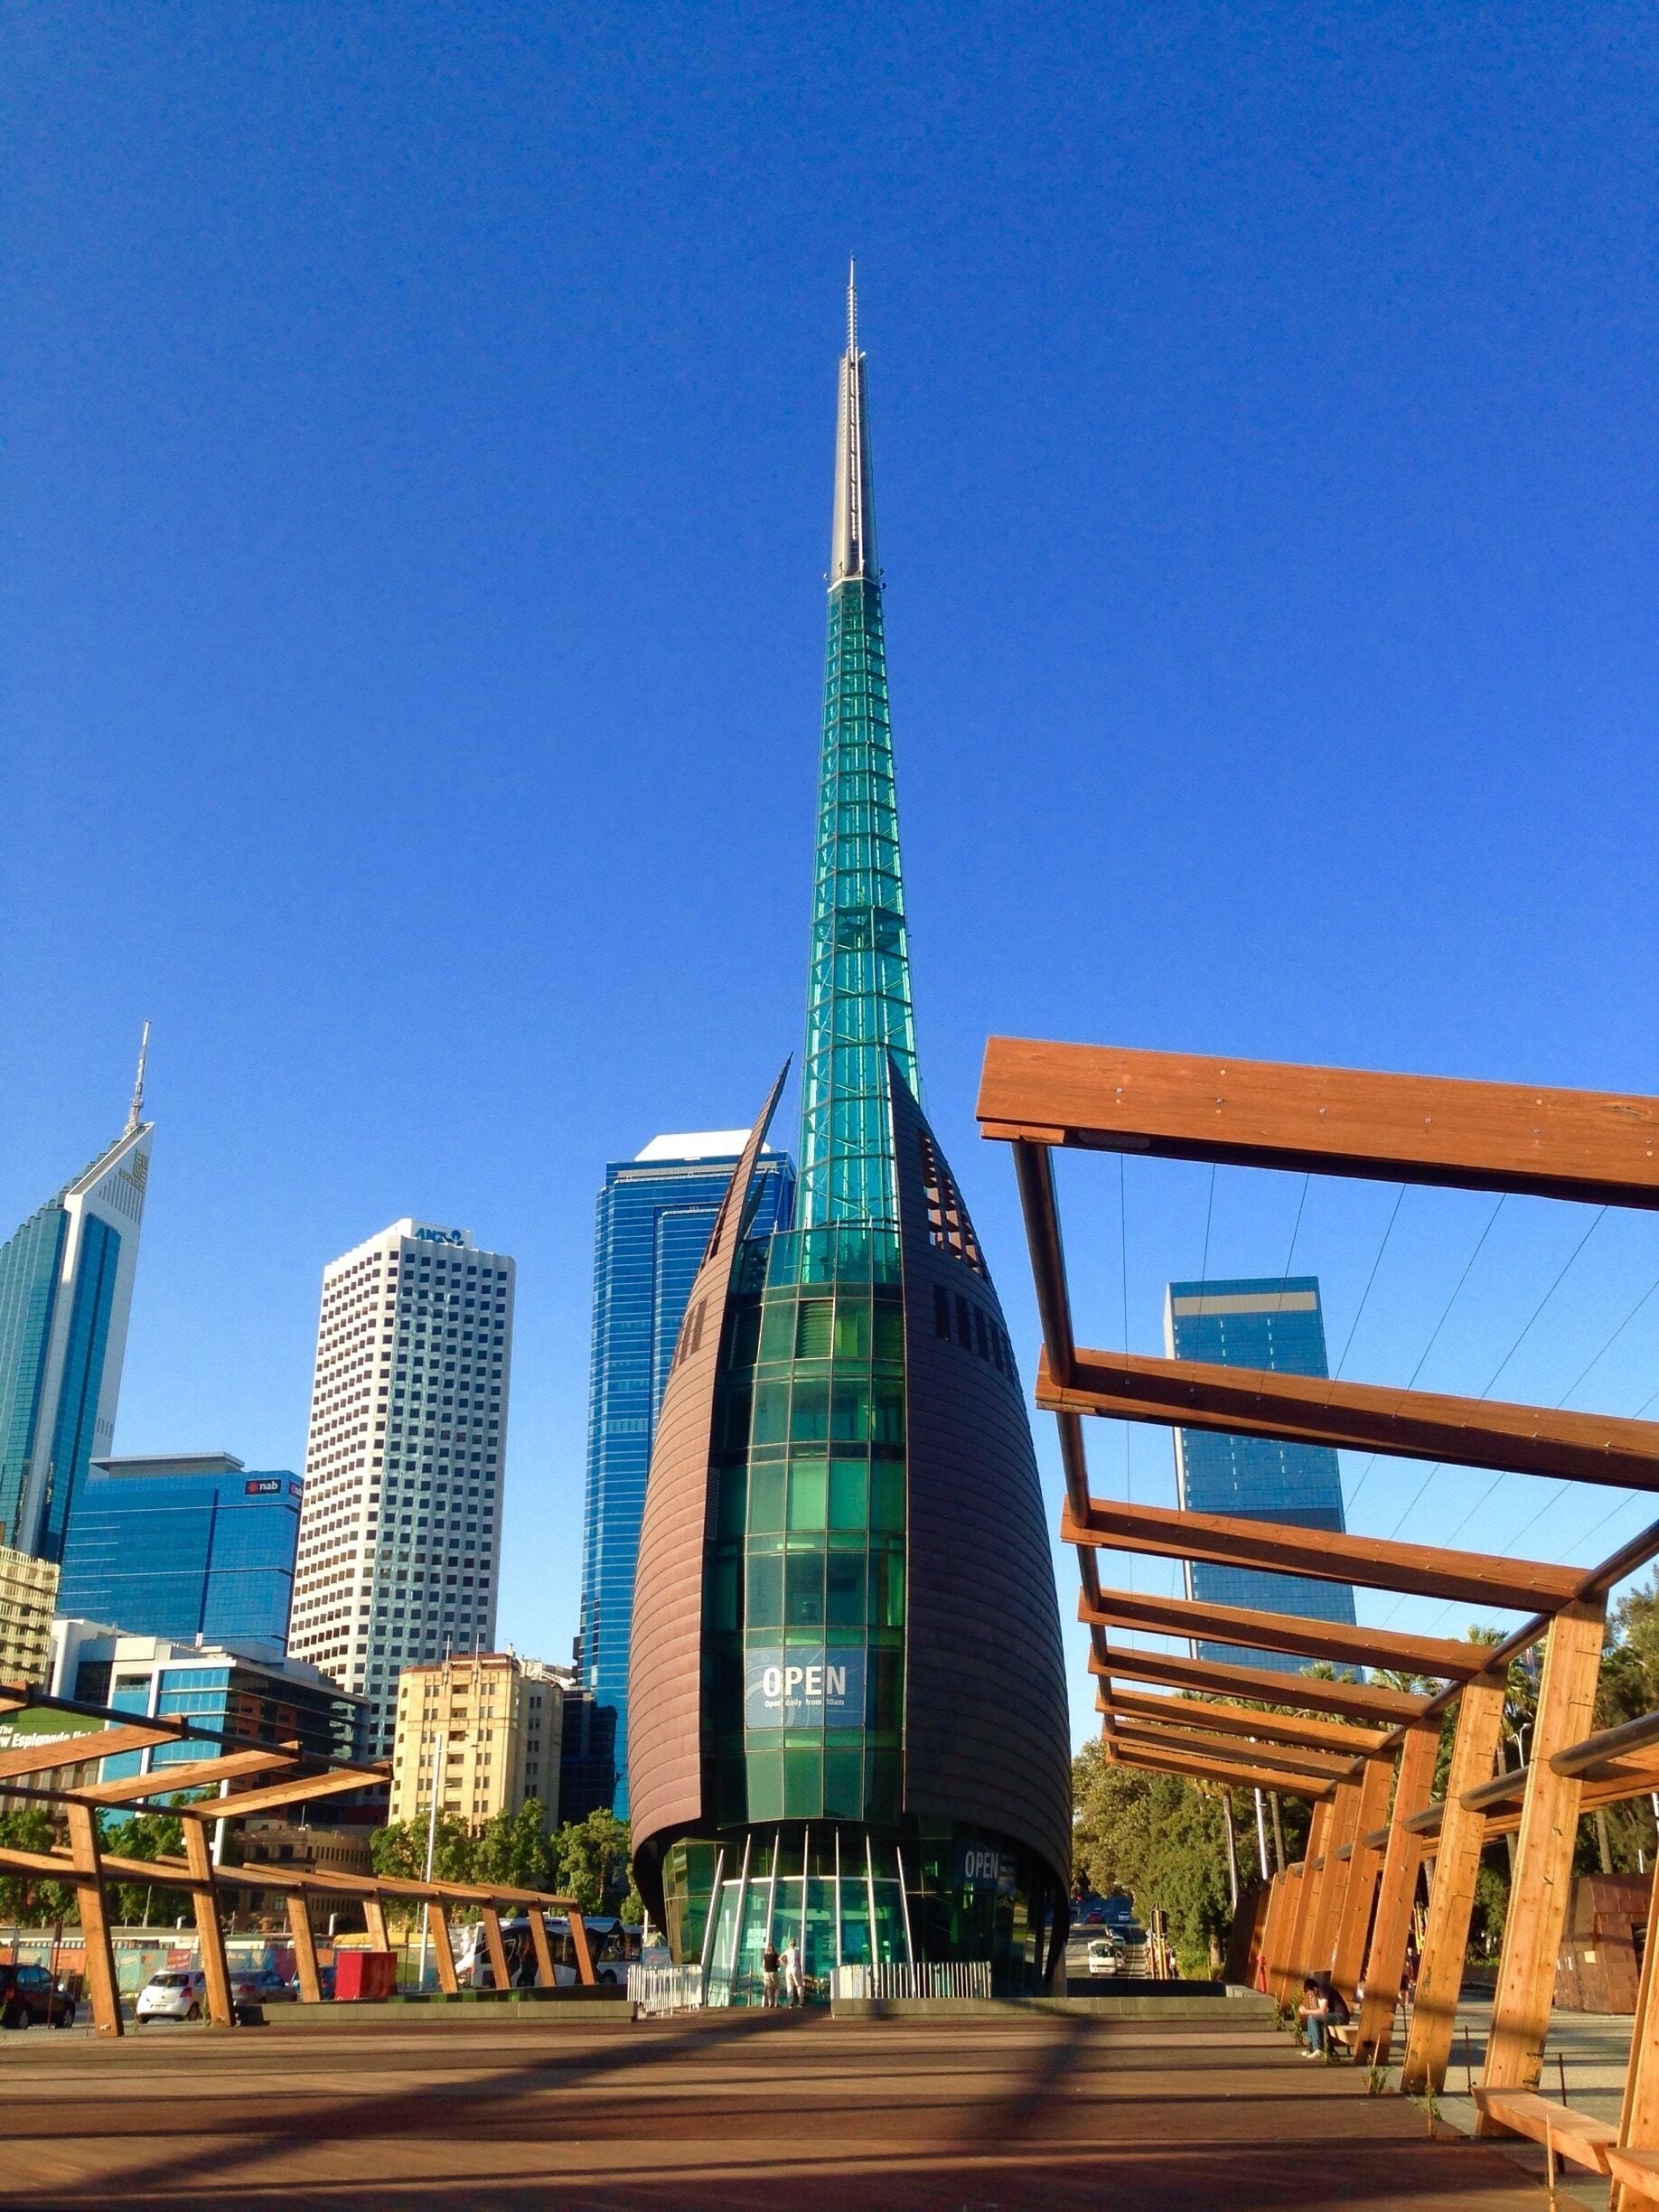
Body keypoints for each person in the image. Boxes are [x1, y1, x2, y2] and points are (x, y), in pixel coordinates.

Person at [1298, 1973, 1350, 2058]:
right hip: (1336, 2015)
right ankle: (1311, 2048)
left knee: (1312, 2018)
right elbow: (1324, 2011)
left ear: (1314, 1988)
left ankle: (1318, 2049)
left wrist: (1306, 2011)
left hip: (1341, 2016)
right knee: (1311, 2017)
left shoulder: (1322, 1990)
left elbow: (1322, 2010)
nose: (1311, 1996)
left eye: (1310, 1993)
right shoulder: (1319, 1993)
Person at [782, 1936, 804, 2008]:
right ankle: (801, 2002)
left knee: (789, 1985)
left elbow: (780, 1958)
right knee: (799, 1985)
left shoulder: (787, 1951)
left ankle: (791, 2003)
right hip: (795, 1968)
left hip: (788, 1969)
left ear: (789, 1944)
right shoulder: (796, 1952)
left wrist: (785, 1963)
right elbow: (799, 1961)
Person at [761, 1939, 781, 2009]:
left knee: (768, 1988)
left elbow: (763, 1965)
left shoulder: (765, 1956)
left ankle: (770, 2003)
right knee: (777, 1987)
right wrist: (777, 1966)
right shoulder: (775, 1955)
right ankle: (776, 2003)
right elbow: (778, 1964)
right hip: (774, 1972)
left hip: (766, 1973)